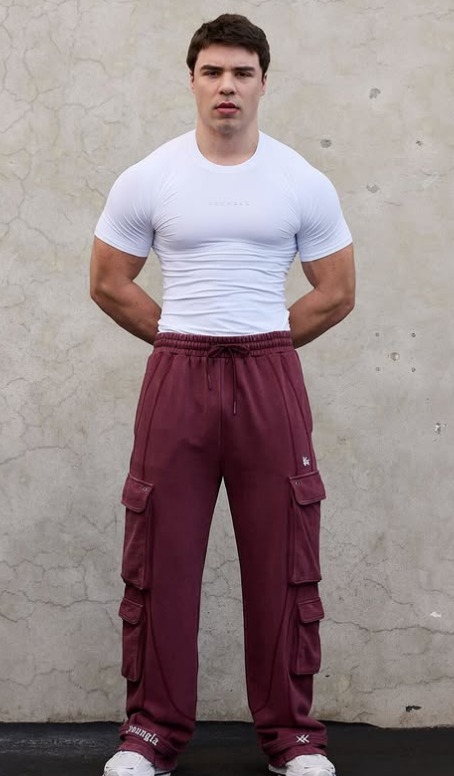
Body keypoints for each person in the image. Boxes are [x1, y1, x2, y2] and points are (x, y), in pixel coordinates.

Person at [90, 13, 355, 776]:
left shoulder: (301, 180)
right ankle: (151, 734)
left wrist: (261, 341)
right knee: (160, 557)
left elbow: (337, 292)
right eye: (213, 72)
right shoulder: (151, 176)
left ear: (264, 82)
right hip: (178, 373)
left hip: (270, 374)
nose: (227, 86)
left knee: (284, 557)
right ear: (193, 81)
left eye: (242, 72)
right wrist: (183, 337)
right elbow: (108, 281)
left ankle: (292, 737)